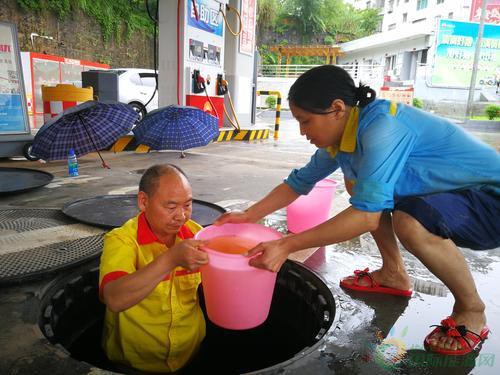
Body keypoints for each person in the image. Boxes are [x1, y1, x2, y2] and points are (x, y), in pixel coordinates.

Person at [215, 65, 500, 356]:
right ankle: (393, 274)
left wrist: (286, 244)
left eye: (306, 121)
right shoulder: (344, 135)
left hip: (490, 201)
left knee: (409, 222)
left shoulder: (382, 128)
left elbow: (366, 217)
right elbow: (299, 182)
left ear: (337, 108)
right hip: (451, 196)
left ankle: (472, 309)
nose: (302, 131)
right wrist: (249, 215)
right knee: (361, 188)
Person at [99, 164, 208, 373]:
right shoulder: (122, 240)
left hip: (190, 354)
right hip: (134, 363)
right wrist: (171, 259)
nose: (181, 216)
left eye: (187, 205)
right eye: (171, 206)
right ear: (143, 201)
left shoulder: (196, 235)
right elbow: (113, 298)